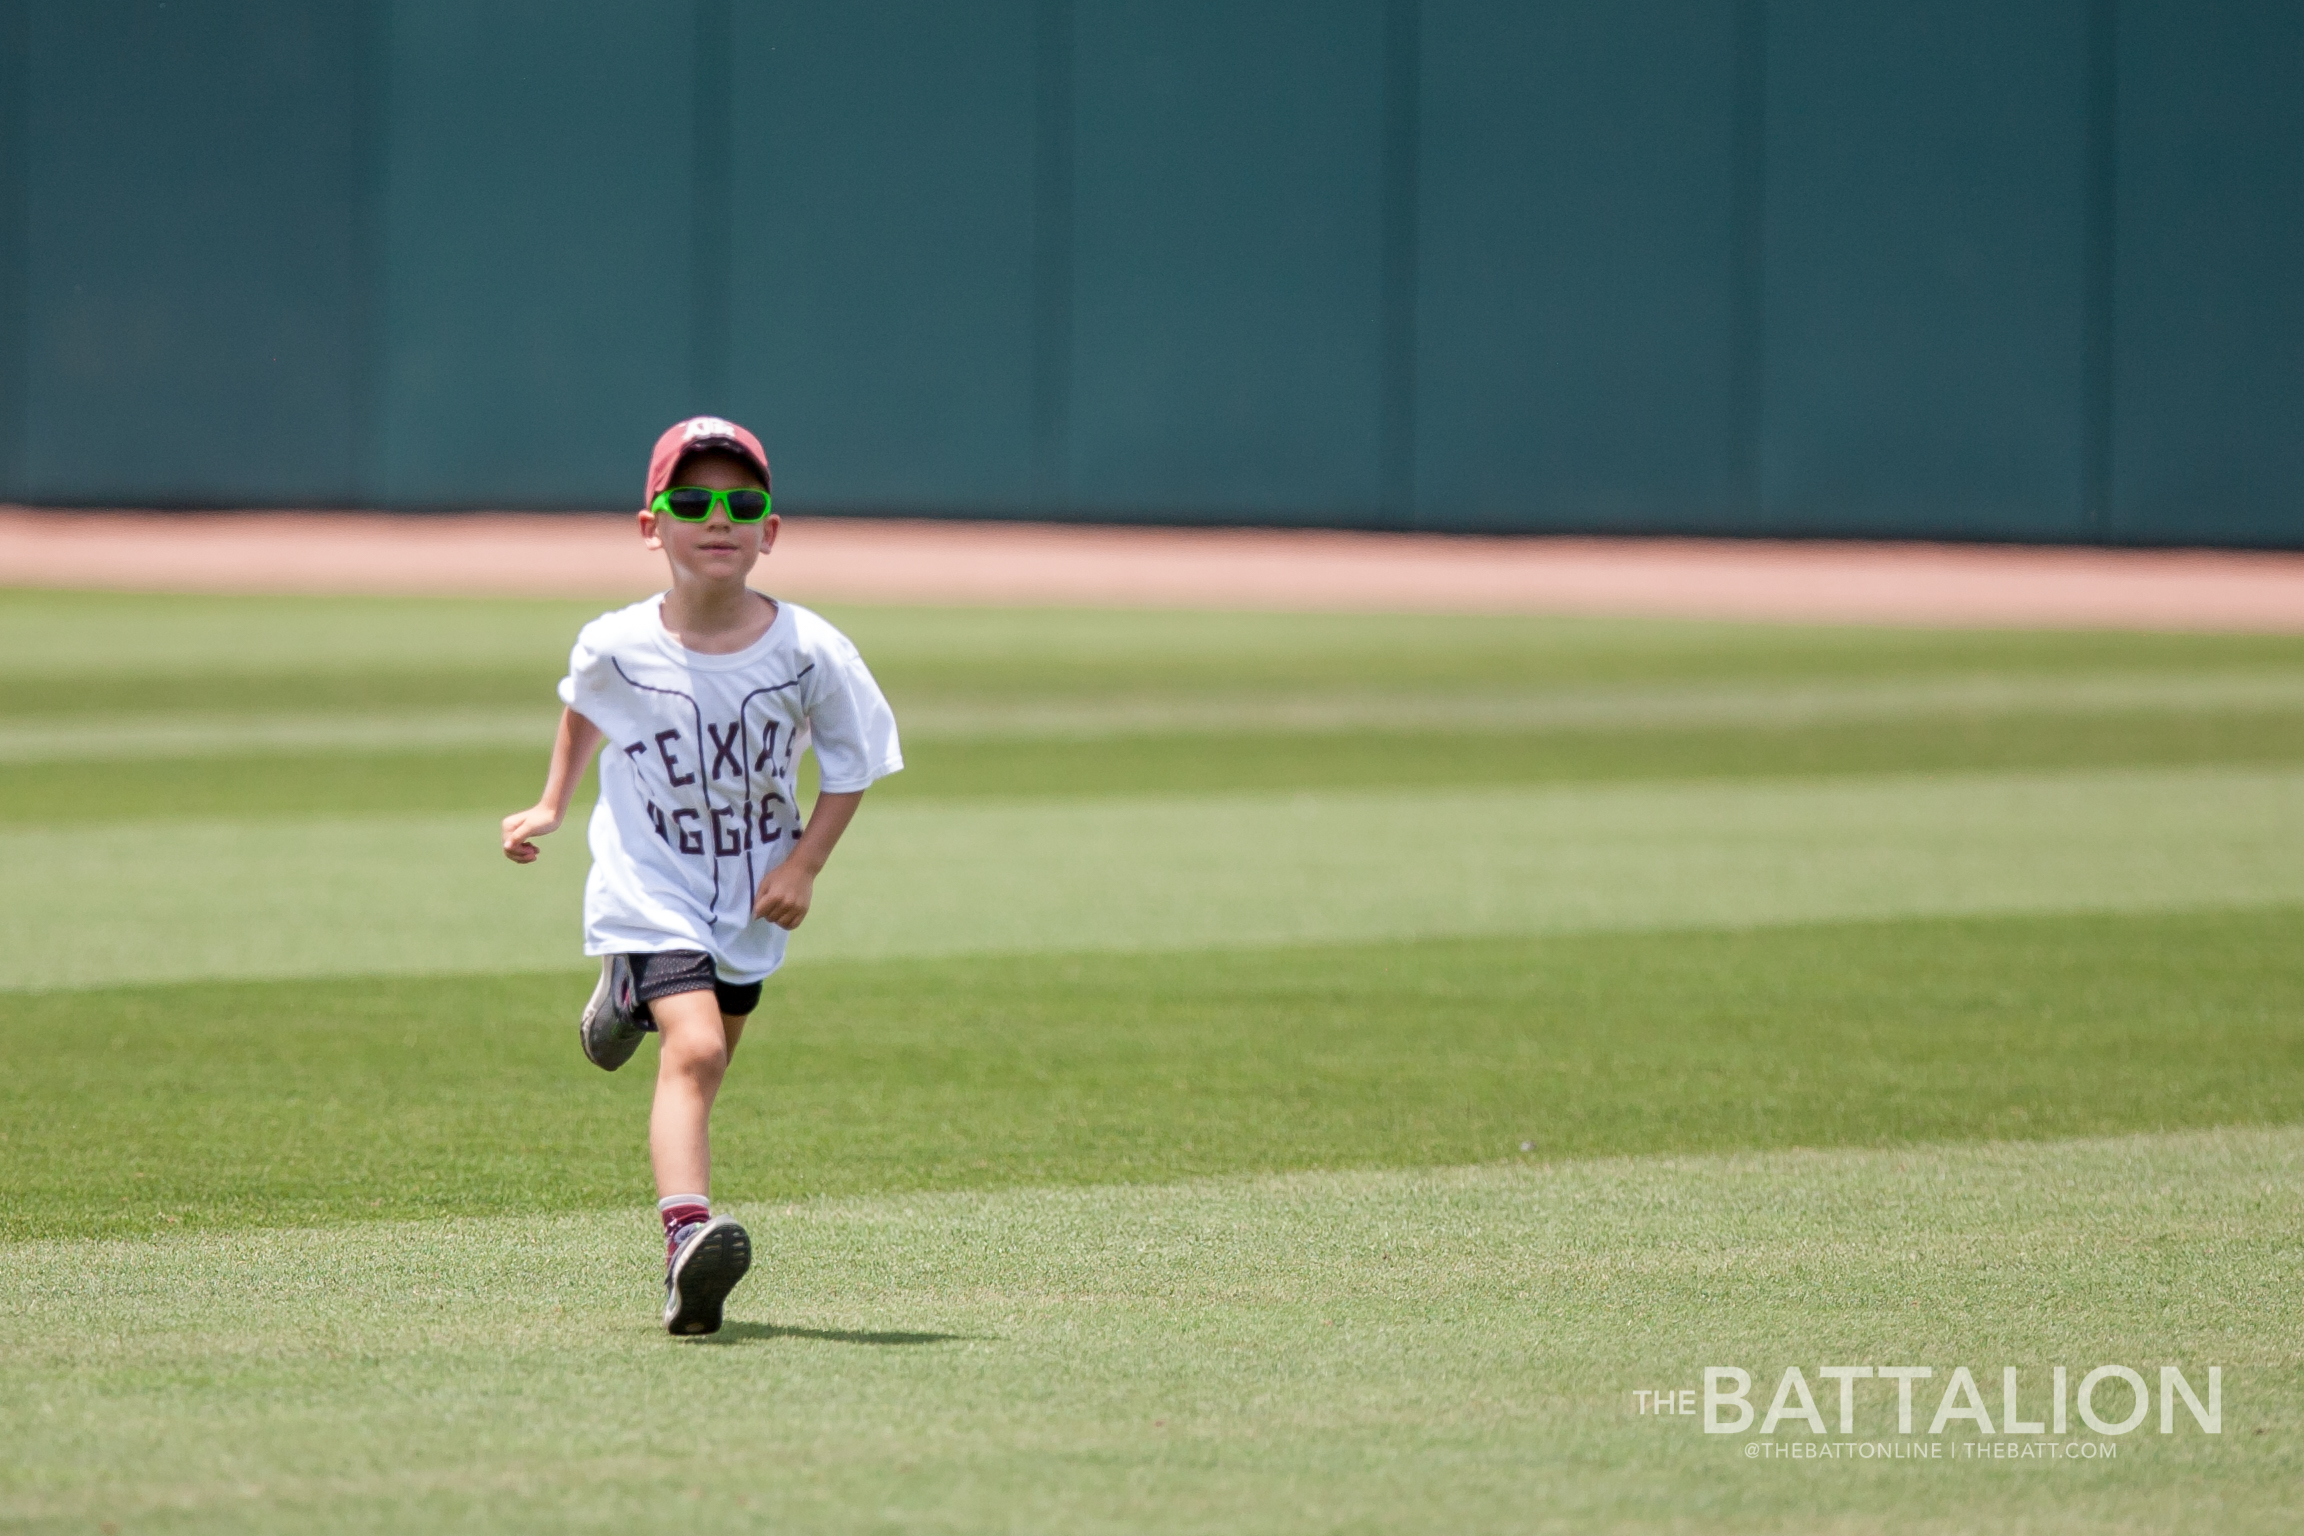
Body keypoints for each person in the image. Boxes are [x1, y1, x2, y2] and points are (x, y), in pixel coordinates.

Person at [500, 416, 901, 1336]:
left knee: (711, 1058)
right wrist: (553, 804)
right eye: (692, 501)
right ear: (653, 527)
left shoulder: (810, 649)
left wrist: (805, 865)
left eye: (741, 502)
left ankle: (626, 995)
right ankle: (686, 1236)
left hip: (754, 893)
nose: (716, 518)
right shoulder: (616, 642)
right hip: (650, 882)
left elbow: (853, 764)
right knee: (699, 1051)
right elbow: (582, 709)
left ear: (770, 530)